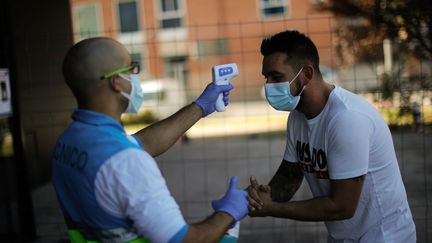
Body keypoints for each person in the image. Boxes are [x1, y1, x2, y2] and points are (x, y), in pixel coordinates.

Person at [52, 37, 248, 243]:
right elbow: (183, 240)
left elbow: (144, 143)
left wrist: (200, 106)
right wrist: (229, 213)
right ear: (117, 82)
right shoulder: (126, 161)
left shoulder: (69, 141)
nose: (135, 78)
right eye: (131, 70)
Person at [246, 30, 416, 242]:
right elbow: (289, 177)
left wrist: (272, 208)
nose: (268, 85)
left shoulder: (347, 120)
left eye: (276, 76)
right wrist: (258, 197)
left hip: (385, 236)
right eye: (266, 77)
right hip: (342, 236)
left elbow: (341, 207)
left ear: (306, 74)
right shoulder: (297, 117)